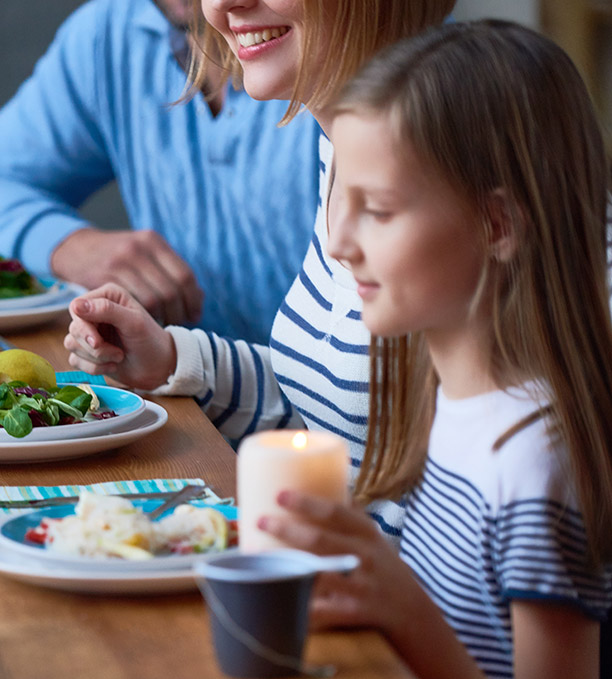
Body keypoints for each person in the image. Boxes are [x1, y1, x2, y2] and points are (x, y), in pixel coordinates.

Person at [259, 21, 612, 679]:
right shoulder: (440, 402)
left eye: (375, 209)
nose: (341, 242)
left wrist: (405, 616)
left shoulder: (538, 468)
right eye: (338, 200)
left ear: (497, 224)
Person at [64, 0, 460, 537]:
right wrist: (175, 359)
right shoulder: (338, 149)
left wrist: (370, 580)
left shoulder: (459, 171)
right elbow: (342, 417)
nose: (223, 6)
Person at [0, 0, 320, 343]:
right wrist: (70, 246)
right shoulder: (110, 34)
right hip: (188, 395)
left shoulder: (339, 49)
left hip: (338, 414)